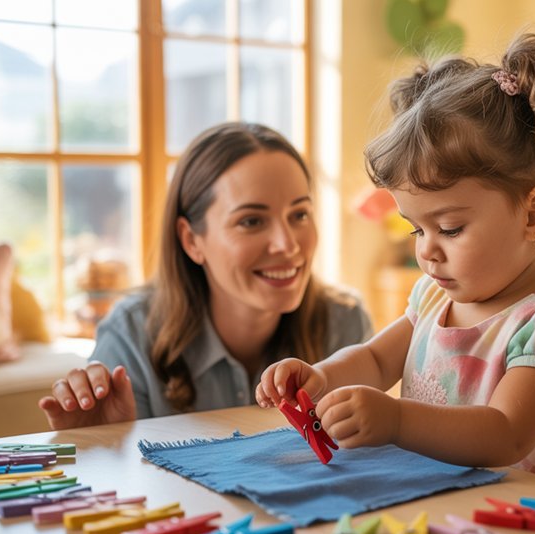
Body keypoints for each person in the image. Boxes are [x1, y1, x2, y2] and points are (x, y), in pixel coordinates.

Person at [256, 33, 535, 488]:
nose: (426, 249)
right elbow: (373, 359)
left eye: (449, 229)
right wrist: (320, 378)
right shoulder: (431, 298)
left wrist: (397, 421)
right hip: (445, 505)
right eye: (416, 228)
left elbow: (505, 435)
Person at [39, 122, 373, 430]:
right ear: (191, 240)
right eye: (251, 221)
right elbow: (112, 482)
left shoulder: (344, 323)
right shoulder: (131, 336)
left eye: (299, 214)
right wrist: (105, 443)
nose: (287, 245)